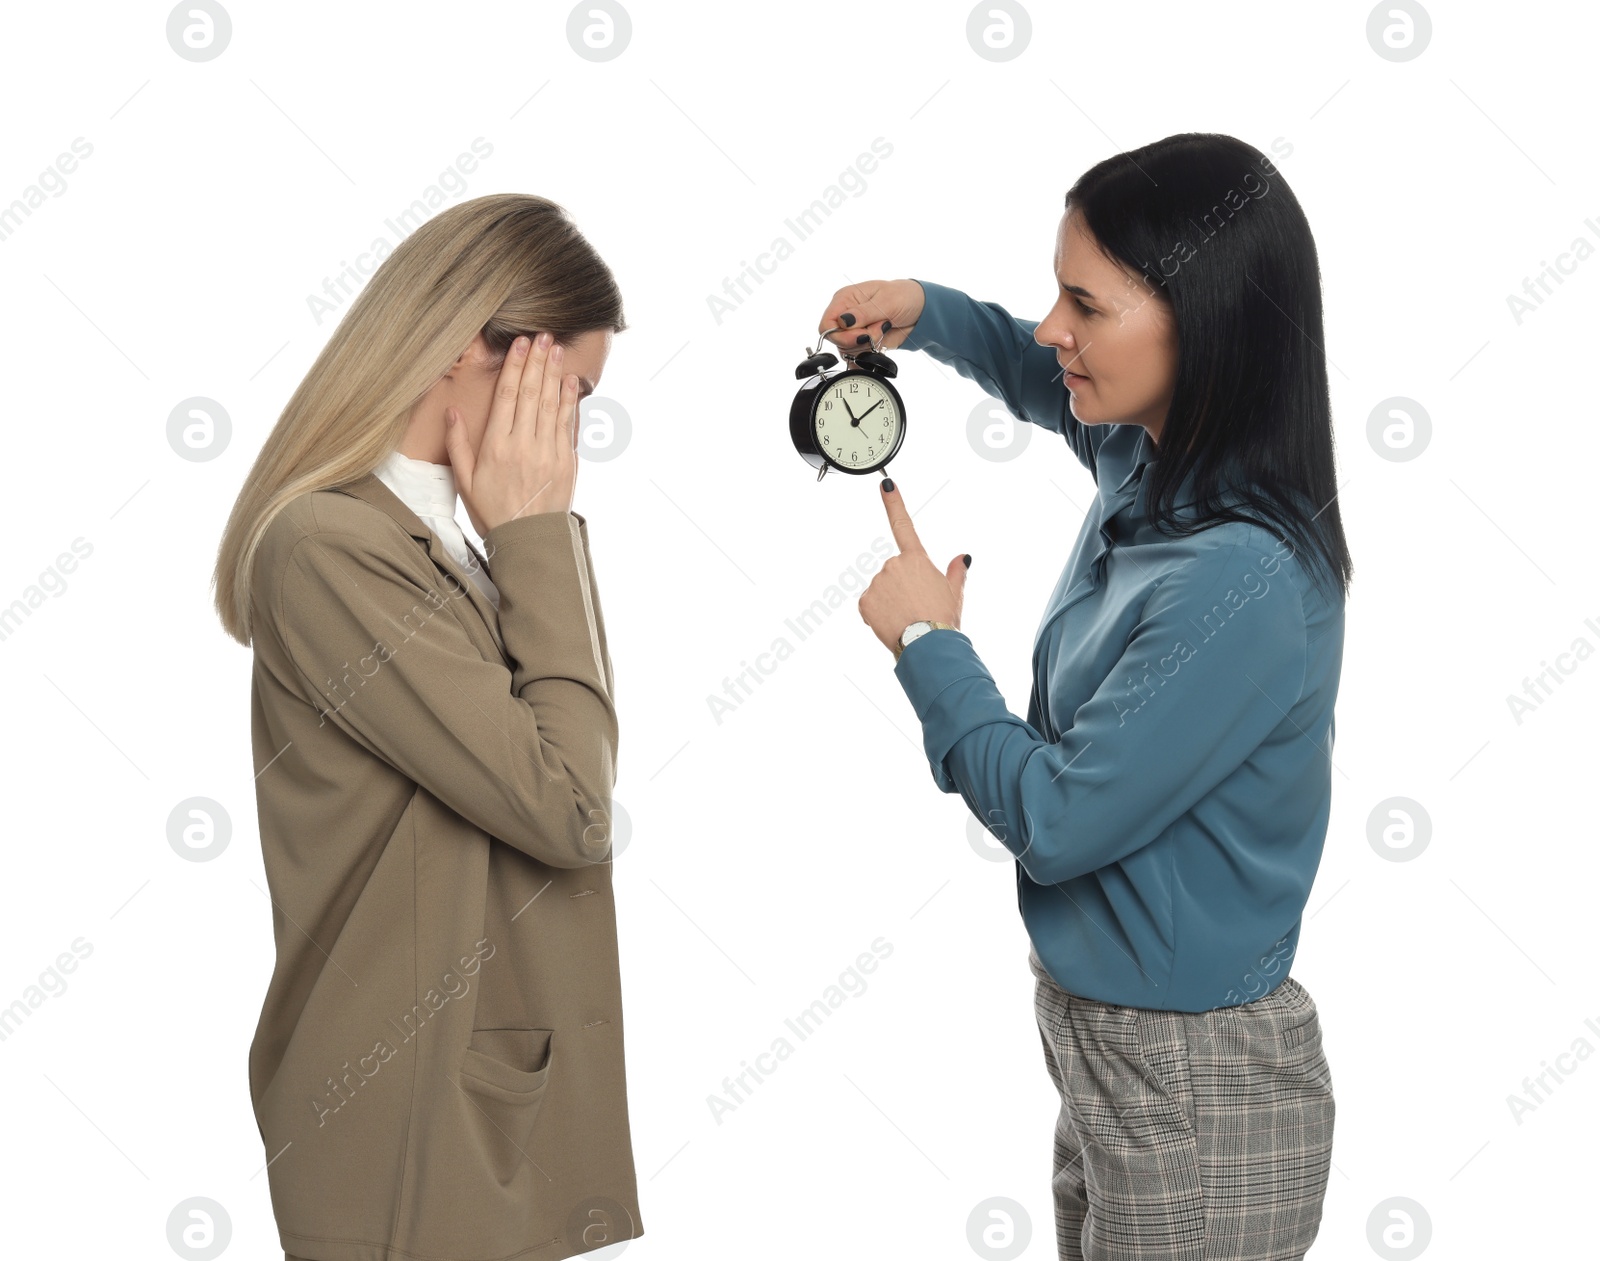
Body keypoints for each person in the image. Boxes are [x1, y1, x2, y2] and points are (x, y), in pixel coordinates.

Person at [823, 131, 1348, 1260]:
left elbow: (1058, 822)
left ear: (1199, 324)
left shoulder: (1241, 579)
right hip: (1112, 1057)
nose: (1052, 328)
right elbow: (1040, 376)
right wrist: (925, 310)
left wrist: (928, 642)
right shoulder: (1156, 461)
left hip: (1195, 1087)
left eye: (1083, 304)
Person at [211, 194, 639, 1261]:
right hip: (406, 1118)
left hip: (472, 1098)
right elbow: (571, 805)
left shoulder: (441, 542)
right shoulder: (328, 546)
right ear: (465, 346)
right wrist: (540, 532)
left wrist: (526, 537)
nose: (568, 432)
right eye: (565, 391)